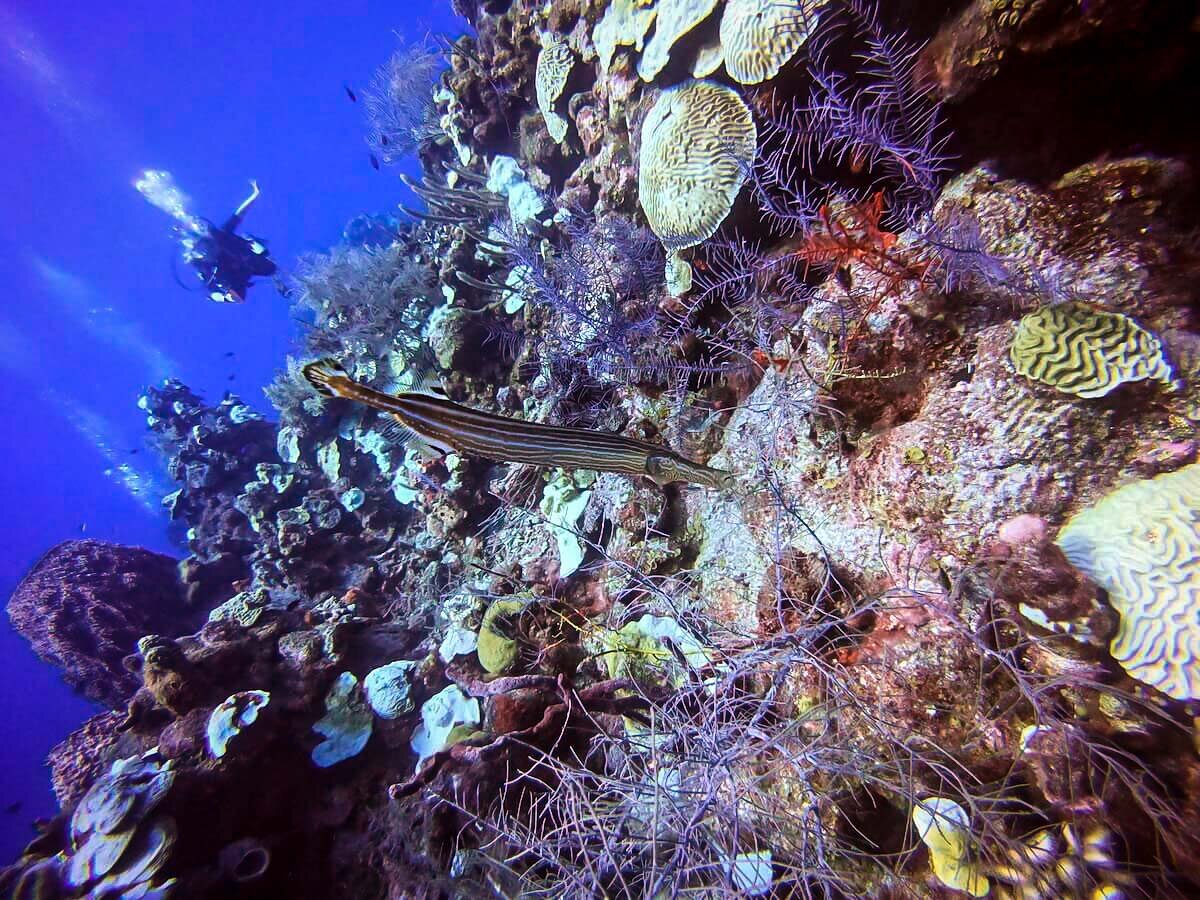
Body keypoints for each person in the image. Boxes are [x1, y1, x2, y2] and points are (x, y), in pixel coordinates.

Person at [179, 181, 277, 303]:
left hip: (243, 261)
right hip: (233, 272)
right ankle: (253, 249)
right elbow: (211, 288)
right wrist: (222, 297)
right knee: (231, 288)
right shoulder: (204, 264)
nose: (206, 250)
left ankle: (252, 243)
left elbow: (240, 214)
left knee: (270, 268)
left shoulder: (221, 235)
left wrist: (255, 195)